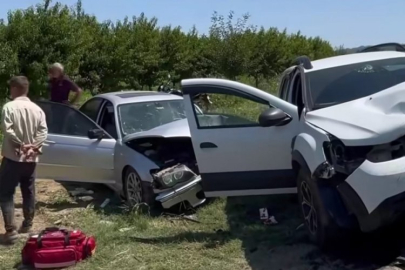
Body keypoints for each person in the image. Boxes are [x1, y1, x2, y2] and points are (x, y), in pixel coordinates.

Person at [0, 76, 48, 244]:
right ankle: (27, 224)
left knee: (5, 192)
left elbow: (8, 130)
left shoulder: (9, 107)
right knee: (28, 190)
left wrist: (22, 145)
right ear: (26, 89)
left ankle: (11, 231)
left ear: (13, 88)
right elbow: (43, 131)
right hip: (30, 159)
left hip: (13, 158)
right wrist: (33, 147)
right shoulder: (37, 109)